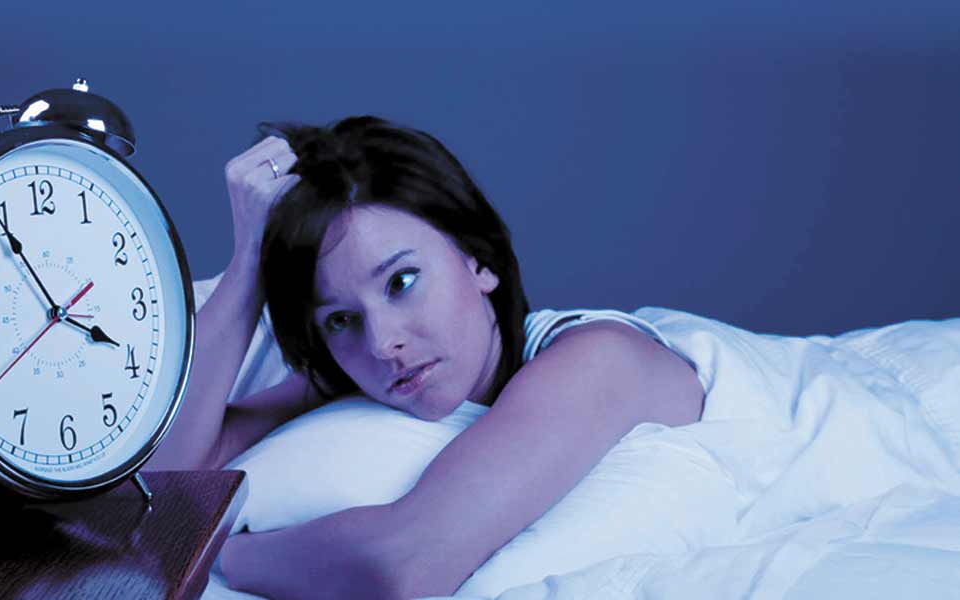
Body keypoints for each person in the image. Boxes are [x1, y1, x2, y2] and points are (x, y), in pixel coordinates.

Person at [160, 116, 705, 599]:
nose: (381, 342)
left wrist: (218, 549)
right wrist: (248, 267)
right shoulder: (363, 369)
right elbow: (165, 480)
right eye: (342, 319)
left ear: (478, 259)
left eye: (402, 282)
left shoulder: (599, 359)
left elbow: (399, 565)